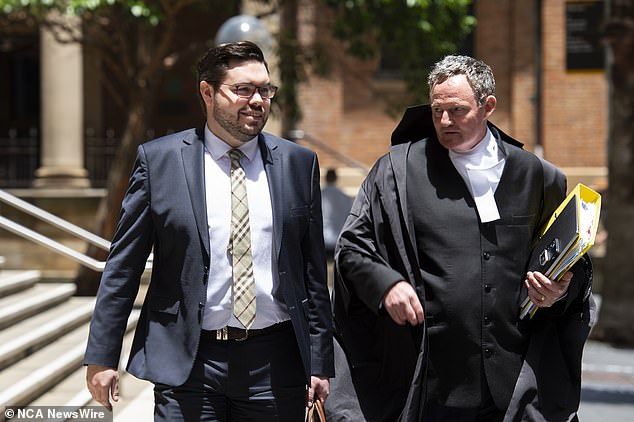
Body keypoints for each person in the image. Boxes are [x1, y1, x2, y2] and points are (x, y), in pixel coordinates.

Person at [329, 55, 595, 421]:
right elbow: (353, 248)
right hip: (425, 382)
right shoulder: (397, 171)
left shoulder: (535, 175)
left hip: (513, 385)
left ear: (488, 107)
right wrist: (387, 285)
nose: (444, 121)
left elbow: (571, 259)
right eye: (437, 110)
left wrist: (561, 288)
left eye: (456, 110)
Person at [84, 41, 334, 421]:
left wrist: (320, 359)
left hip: (275, 364)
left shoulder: (298, 164)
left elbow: (313, 271)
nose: (258, 100)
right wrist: (102, 356)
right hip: (190, 362)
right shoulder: (160, 162)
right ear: (207, 91)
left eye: (265, 89)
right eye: (243, 89)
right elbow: (123, 266)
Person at [321, 168, 353, 260]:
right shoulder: (345, 197)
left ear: (325, 178)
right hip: (339, 242)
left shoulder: (319, 196)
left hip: (323, 242)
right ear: (336, 178)